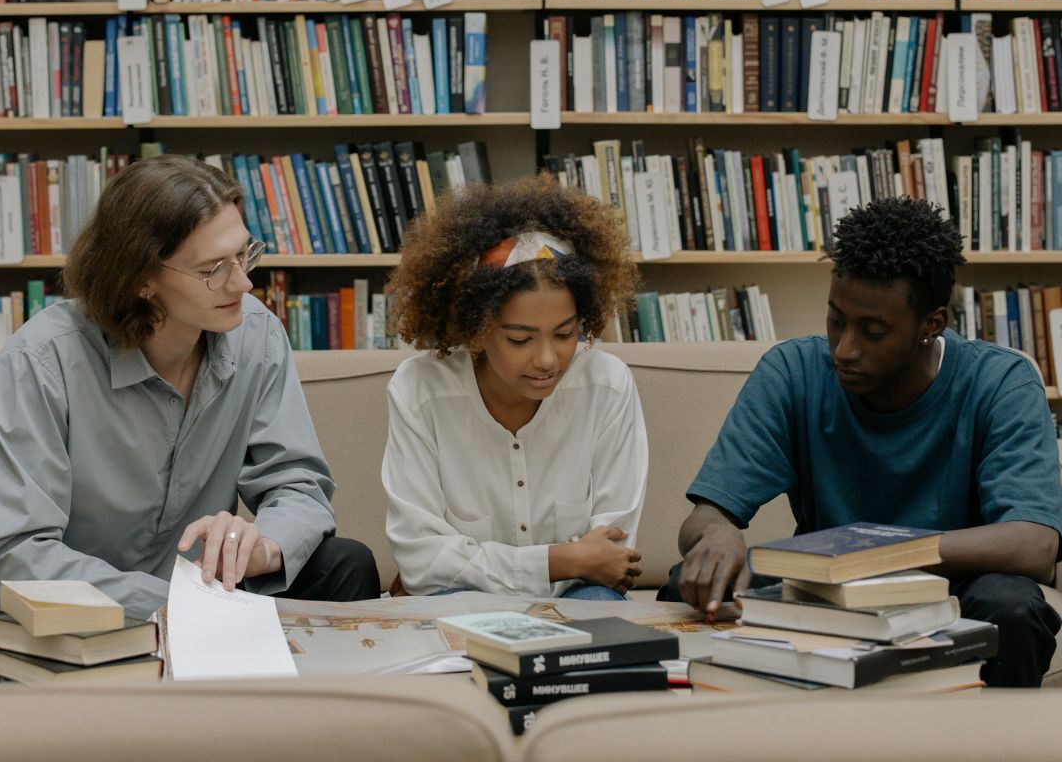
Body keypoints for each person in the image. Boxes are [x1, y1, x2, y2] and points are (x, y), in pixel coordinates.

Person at [660, 197, 1062, 687]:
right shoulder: (792, 373)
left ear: (930, 325)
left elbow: (1034, 545)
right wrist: (718, 532)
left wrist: (877, 553)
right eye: (836, 320)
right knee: (688, 580)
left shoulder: (1001, 381)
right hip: (827, 591)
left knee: (1012, 605)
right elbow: (704, 516)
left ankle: (993, 759)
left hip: (954, 590)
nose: (845, 349)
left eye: (873, 331)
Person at [0, 155, 379, 626]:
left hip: (207, 593)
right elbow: (10, 551)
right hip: (84, 606)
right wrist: (172, 606)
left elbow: (297, 482)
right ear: (142, 278)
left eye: (244, 254)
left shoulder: (259, 334)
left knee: (346, 563)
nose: (243, 282)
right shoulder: (43, 359)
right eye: (213, 268)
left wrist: (261, 547)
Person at [382, 173, 646, 600]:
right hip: (463, 598)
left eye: (565, 334)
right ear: (477, 329)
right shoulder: (419, 391)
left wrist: (572, 565)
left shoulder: (608, 386)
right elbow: (421, 562)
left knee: (599, 607)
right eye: (520, 339)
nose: (547, 359)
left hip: (580, 593)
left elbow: (610, 558)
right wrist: (560, 560)